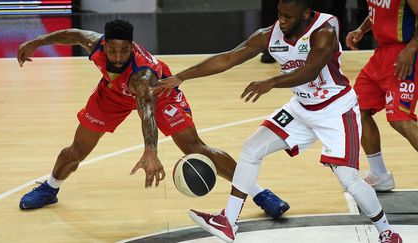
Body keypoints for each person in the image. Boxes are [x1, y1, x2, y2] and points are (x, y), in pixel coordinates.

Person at [155, 1, 402, 242]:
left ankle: (386, 232)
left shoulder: (326, 28)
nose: (282, 21)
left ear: (305, 14)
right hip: (301, 108)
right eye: (279, 14)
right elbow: (227, 59)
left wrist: (271, 82)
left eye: (288, 16)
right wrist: (181, 77)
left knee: (349, 179)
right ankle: (228, 222)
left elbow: (311, 70)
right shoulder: (269, 35)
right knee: (251, 148)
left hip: (336, 110)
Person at [16, 19, 290, 219]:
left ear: (132, 46)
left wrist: (150, 150)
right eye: (113, 51)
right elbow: (71, 33)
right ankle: (50, 188)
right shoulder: (94, 42)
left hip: (160, 93)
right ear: (104, 44)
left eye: (125, 51)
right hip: (111, 95)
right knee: (76, 150)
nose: (119, 56)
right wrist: (35, 42)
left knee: (196, 149)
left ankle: (258, 192)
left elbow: (147, 108)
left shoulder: (142, 74)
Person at [346, 0, 418, 192]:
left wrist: (412, 48)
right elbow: (379, 12)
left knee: (400, 119)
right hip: (382, 53)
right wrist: (362, 29)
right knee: (355, 109)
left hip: (405, 53)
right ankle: (379, 175)